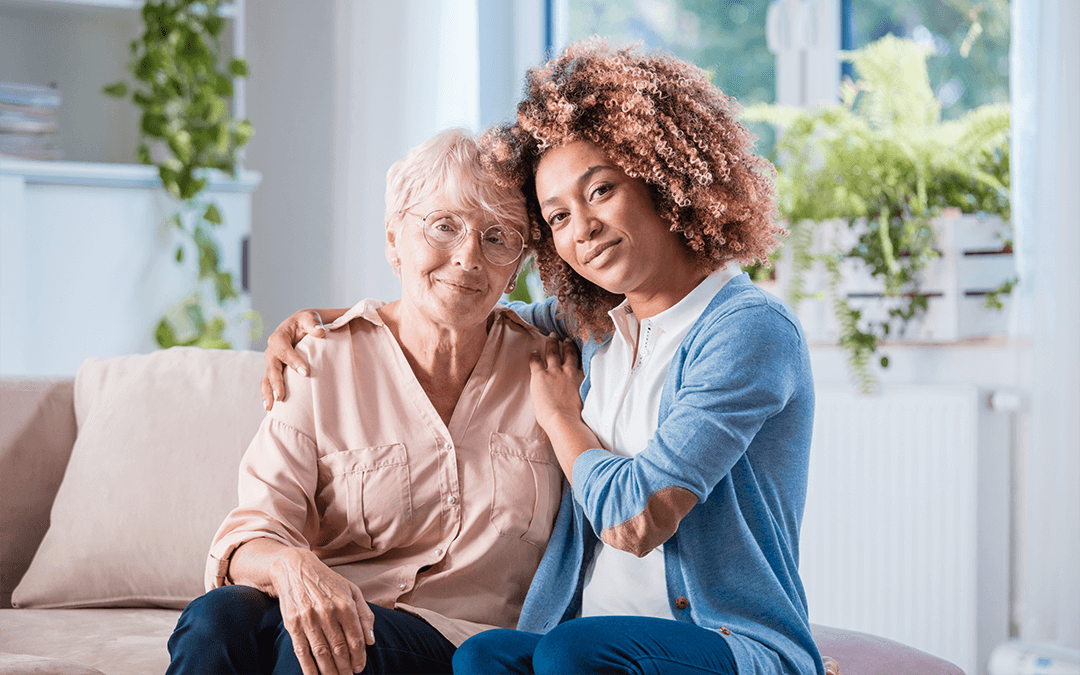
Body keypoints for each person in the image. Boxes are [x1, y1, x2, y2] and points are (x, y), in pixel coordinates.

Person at [265, 40, 832, 675]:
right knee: (483, 657)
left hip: (723, 643)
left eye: (601, 191)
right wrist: (328, 320)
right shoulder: (596, 327)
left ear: (662, 179)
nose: (582, 228)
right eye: (558, 216)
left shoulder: (749, 331)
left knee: (568, 651)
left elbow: (635, 519)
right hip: (586, 640)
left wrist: (563, 421)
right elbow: (461, 308)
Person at [165, 128, 565, 675]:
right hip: (331, 615)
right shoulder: (320, 363)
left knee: (311, 650)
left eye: (498, 237)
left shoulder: (554, 367)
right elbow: (253, 530)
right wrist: (291, 568)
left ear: (517, 265)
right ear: (394, 240)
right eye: (443, 226)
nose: (469, 257)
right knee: (217, 619)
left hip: (465, 643)